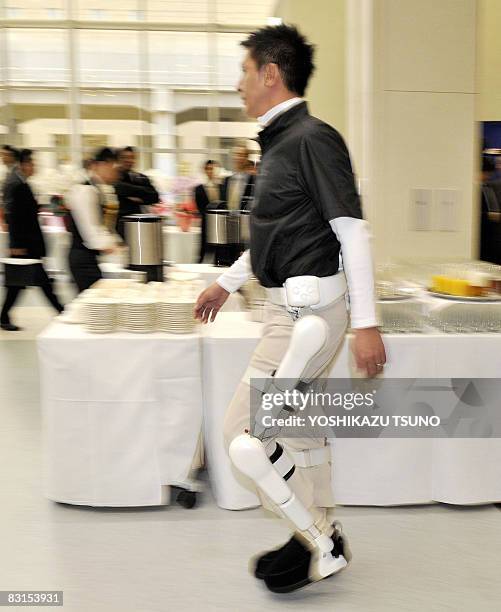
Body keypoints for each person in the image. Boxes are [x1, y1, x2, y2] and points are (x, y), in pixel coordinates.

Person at [195, 25, 385, 593]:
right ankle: (314, 534)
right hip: (286, 313)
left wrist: (368, 323)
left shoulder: (310, 139)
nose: (238, 84)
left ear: (270, 74)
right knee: (299, 435)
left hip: (308, 317)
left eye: (244, 72)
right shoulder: (282, 142)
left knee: (245, 434)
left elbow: (352, 234)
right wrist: (227, 283)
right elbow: (276, 236)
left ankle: (320, 540)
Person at [1, 149, 64, 331]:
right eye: (31, 163)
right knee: (36, 282)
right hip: (24, 245)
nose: (34, 166)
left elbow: (25, 213)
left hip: (26, 244)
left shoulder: (24, 185)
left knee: (18, 283)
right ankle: (60, 311)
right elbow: (15, 218)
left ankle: (4, 316)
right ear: (23, 165)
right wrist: (16, 245)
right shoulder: (18, 186)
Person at [66, 147, 120, 292]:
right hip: (82, 259)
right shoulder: (85, 190)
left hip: (89, 257)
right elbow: (90, 231)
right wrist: (111, 246)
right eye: (112, 167)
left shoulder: (98, 189)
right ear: (100, 165)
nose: (114, 172)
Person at [114, 146, 159, 238]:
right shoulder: (113, 177)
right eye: (124, 157)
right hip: (119, 224)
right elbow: (119, 187)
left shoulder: (140, 177)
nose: (128, 160)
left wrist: (130, 194)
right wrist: (142, 194)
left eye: (131, 157)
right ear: (118, 159)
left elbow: (155, 196)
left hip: (138, 223)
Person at [194, 160, 221, 263]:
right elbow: (199, 207)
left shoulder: (221, 187)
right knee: (203, 249)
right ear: (205, 170)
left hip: (219, 223)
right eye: (208, 169)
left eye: (213, 168)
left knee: (218, 249)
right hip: (206, 223)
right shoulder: (199, 188)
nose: (211, 171)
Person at [0, 145, 19, 231]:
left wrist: (5, 219)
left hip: (13, 216)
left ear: (11, 156)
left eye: (4, 154)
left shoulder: (16, 173)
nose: (2, 157)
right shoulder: (9, 172)